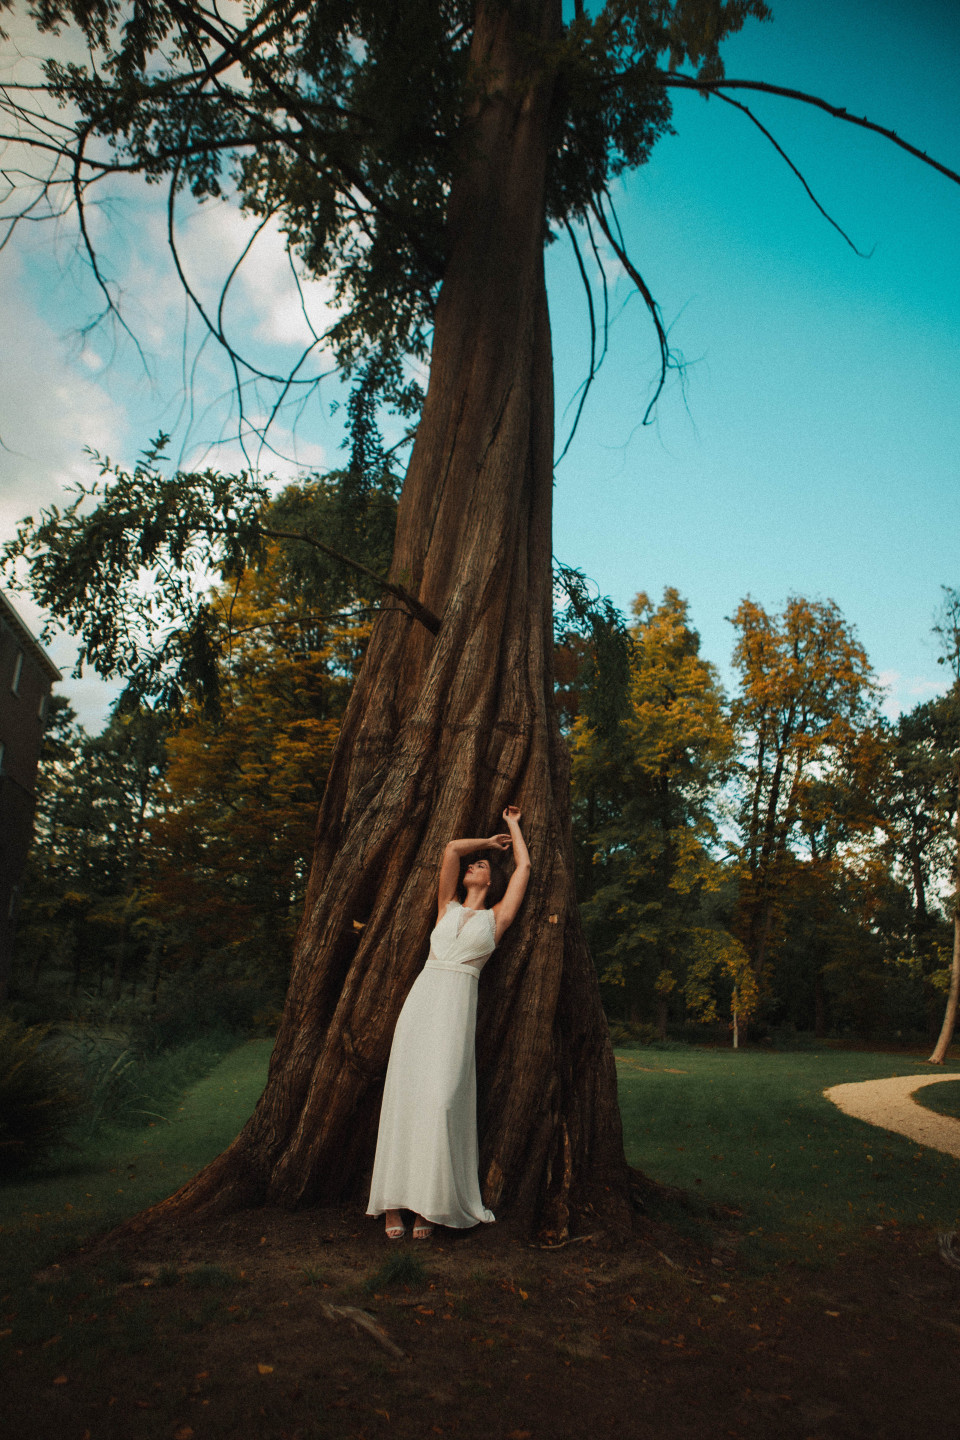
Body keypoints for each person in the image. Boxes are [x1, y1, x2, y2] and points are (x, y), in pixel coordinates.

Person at [366, 805, 531, 1239]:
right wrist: (488, 842)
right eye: (472, 867)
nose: (474, 866)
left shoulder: (498, 918)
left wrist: (513, 828)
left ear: (491, 881)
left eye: (483, 867)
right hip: (421, 1005)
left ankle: (431, 1203)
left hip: (456, 1011)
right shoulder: (446, 907)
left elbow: (525, 866)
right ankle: (392, 1205)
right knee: (404, 1101)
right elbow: (451, 848)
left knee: (441, 1100)